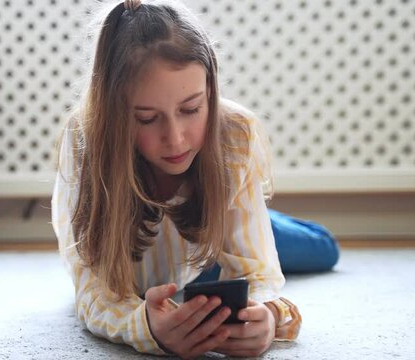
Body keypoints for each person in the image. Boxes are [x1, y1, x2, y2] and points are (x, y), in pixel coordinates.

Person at [51, 0, 330, 357]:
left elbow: (261, 278)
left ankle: (255, 218)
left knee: (323, 249)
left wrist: (270, 316)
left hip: (208, 246)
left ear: (211, 92)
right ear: (115, 113)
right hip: (179, 258)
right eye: (147, 118)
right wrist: (147, 327)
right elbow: (95, 295)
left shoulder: (234, 134)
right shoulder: (85, 142)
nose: (176, 139)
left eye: (191, 109)